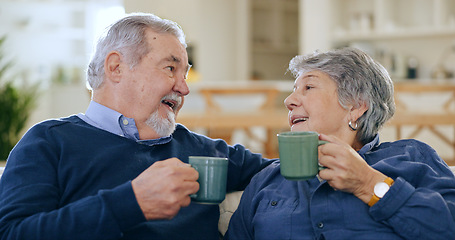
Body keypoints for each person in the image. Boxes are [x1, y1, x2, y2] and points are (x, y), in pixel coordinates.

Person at [0, 13, 272, 240]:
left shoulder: (199, 149)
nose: (185, 88)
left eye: (185, 73)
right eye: (170, 69)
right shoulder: (48, 143)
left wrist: (315, 157)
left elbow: (277, 172)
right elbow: (12, 233)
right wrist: (131, 202)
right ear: (116, 67)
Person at [225, 47, 455, 240]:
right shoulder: (268, 179)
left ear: (355, 106)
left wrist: (369, 184)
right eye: (293, 90)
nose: (289, 101)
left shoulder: (411, 158)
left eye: (308, 87)